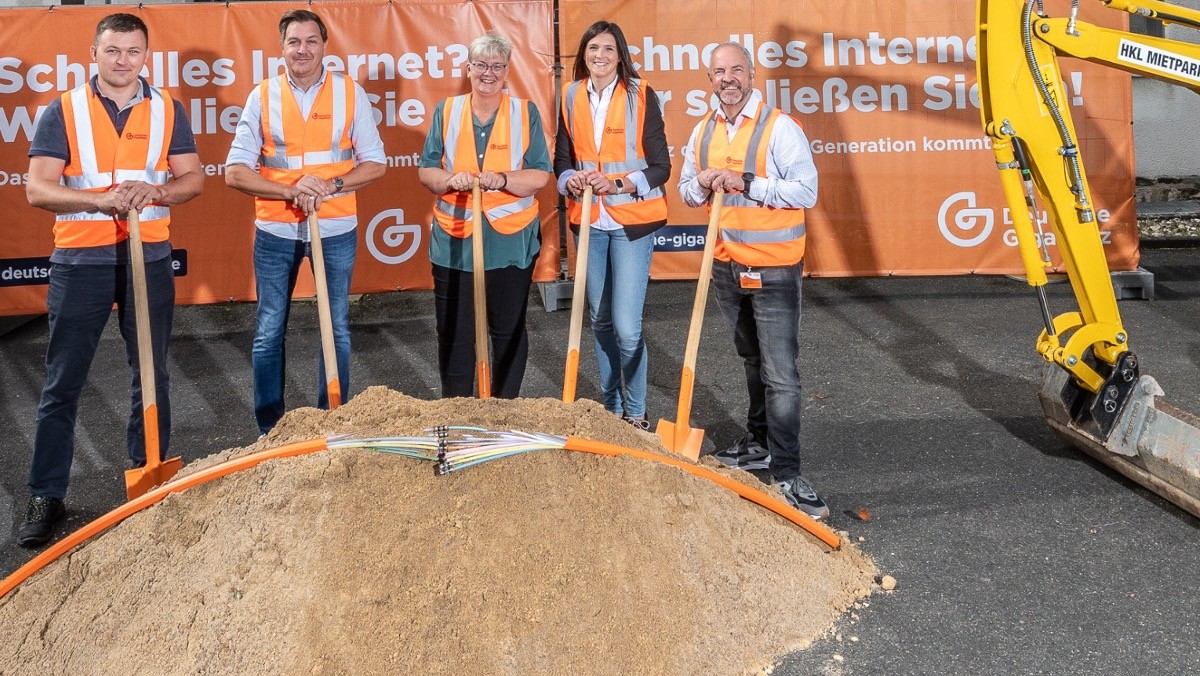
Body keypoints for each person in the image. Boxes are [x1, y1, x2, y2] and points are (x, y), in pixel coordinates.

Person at [19, 13, 204, 547]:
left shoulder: (168, 108)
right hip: (81, 263)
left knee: (151, 372)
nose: (123, 60)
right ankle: (45, 492)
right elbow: (38, 188)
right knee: (62, 384)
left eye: (134, 51)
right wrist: (99, 200)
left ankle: (150, 472)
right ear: (93, 54)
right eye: (113, 50)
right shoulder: (65, 110)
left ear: (147, 55)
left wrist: (159, 192)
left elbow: (191, 177)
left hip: (147, 257)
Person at [677, 43, 826, 519]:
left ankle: (787, 473)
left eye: (736, 69)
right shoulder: (702, 129)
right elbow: (684, 190)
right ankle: (759, 444)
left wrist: (746, 181)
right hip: (727, 265)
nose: (728, 78)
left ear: (752, 74)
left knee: (781, 373)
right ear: (709, 77)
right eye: (719, 70)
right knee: (751, 359)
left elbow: (806, 190)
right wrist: (703, 183)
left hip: (775, 267)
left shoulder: (780, 127)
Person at [226, 9, 386, 435]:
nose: (302, 49)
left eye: (311, 41)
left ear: (324, 46)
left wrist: (329, 186)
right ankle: (271, 430)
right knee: (268, 329)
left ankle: (332, 421)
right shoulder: (262, 96)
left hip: (334, 229)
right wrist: (289, 190)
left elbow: (376, 164)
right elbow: (235, 171)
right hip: (275, 230)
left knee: (336, 327)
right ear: (282, 48)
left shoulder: (349, 93)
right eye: (294, 41)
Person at [417, 32, 552, 399]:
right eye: (481, 65)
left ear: (507, 72)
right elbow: (427, 170)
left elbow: (540, 173)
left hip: (509, 241)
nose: (488, 73)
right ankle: (458, 411)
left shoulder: (525, 113)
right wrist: (449, 179)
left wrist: (505, 178)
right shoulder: (447, 110)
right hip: (454, 242)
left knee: (507, 330)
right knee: (454, 332)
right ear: (469, 68)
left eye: (497, 66)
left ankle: (503, 410)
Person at [555, 21, 671, 430]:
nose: (599, 55)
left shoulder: (641, 95)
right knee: (600, 321)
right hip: (587, 221)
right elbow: (562, 158)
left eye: (607, 48)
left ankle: (637, 414)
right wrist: (570, 180)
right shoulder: (570, 95)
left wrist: (620, 183)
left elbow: (662, 167)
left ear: (620, 54)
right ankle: (611, 409)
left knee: (625, 325)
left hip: (631, 222)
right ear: (583, 55)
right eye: (592, 48)